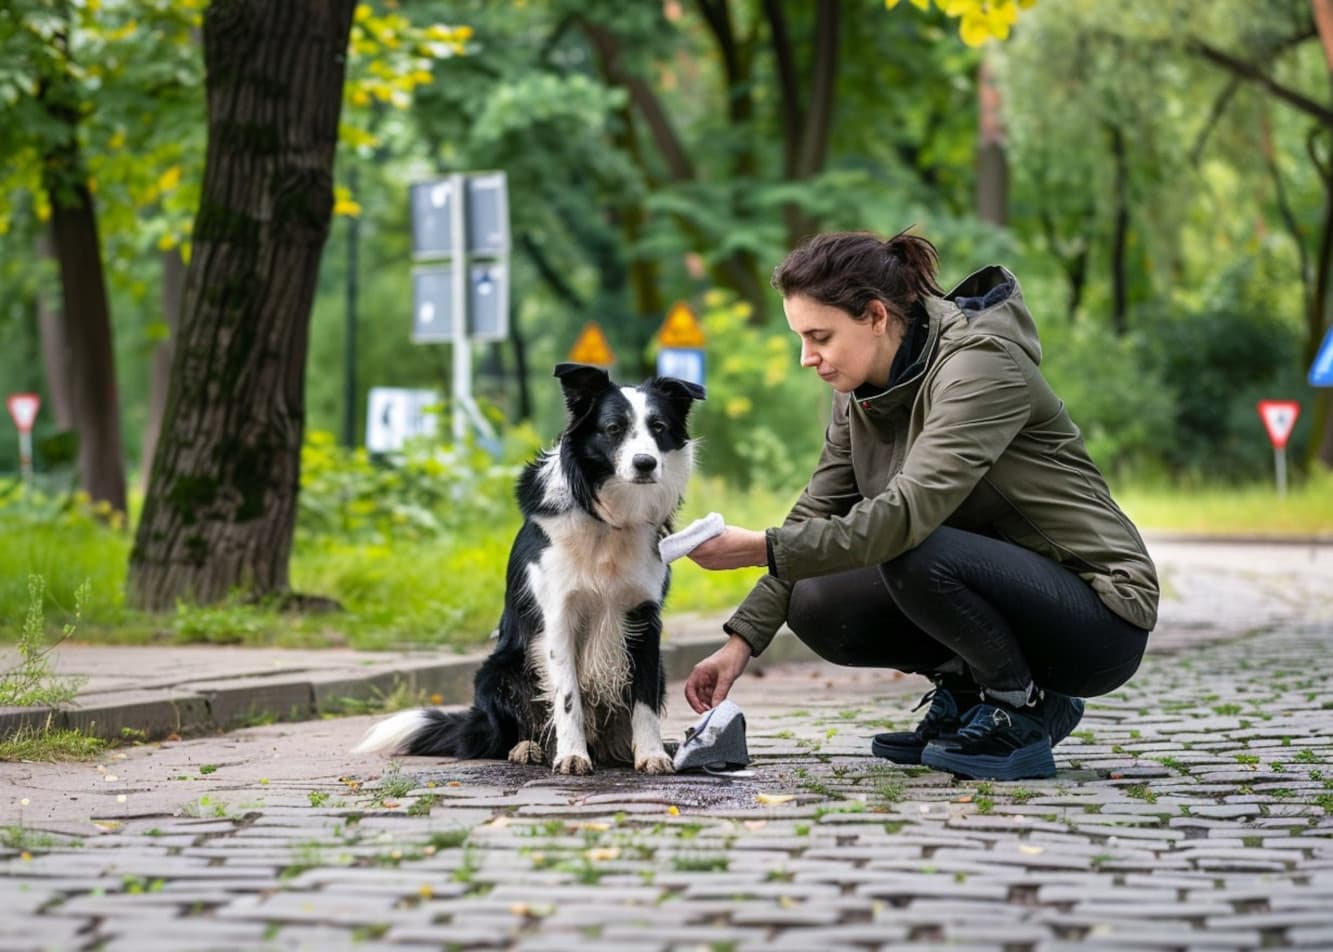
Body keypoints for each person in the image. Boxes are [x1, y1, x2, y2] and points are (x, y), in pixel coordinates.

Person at [682, 229, 1158, 781]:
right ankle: (967, 693)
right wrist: (738, 646)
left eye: (820, 337)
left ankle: (1020, 707)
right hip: (997, 585)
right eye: (801, 339)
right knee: (813, 597)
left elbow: (904, 517)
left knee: (909, 548)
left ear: (877, 317)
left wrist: (759, 549)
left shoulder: (980, 366)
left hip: (1098, 615)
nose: (807, 358)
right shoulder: (858, 397)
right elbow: (813, 517)